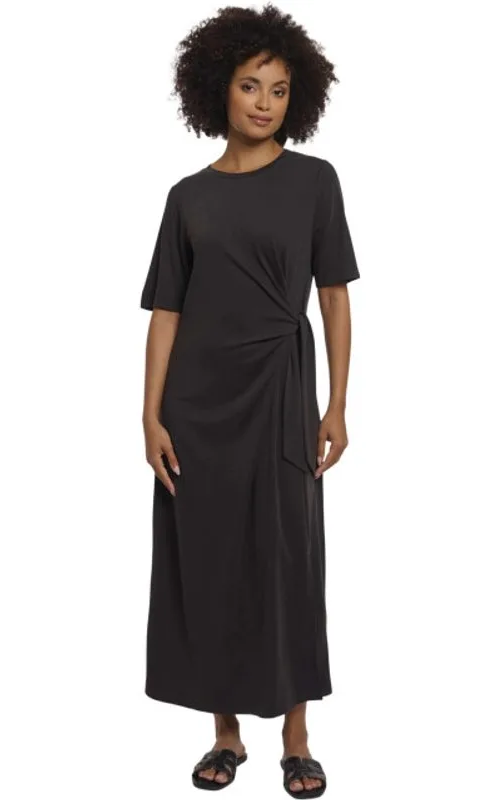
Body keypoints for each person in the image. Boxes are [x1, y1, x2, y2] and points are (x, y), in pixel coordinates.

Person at [140, 5, 359, 796]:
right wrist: (149, 415)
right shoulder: (186, 197)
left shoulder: (315, 181)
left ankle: (296, 735)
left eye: (279, 88)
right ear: (217, 89)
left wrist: (336, 404)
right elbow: (167, 311)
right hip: (197, 404)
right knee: (209, 558)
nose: (264, 102)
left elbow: (333, 296)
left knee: (286, 556)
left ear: (297, 98)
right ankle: (225, 734)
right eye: (249, 85)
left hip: (280, 392)